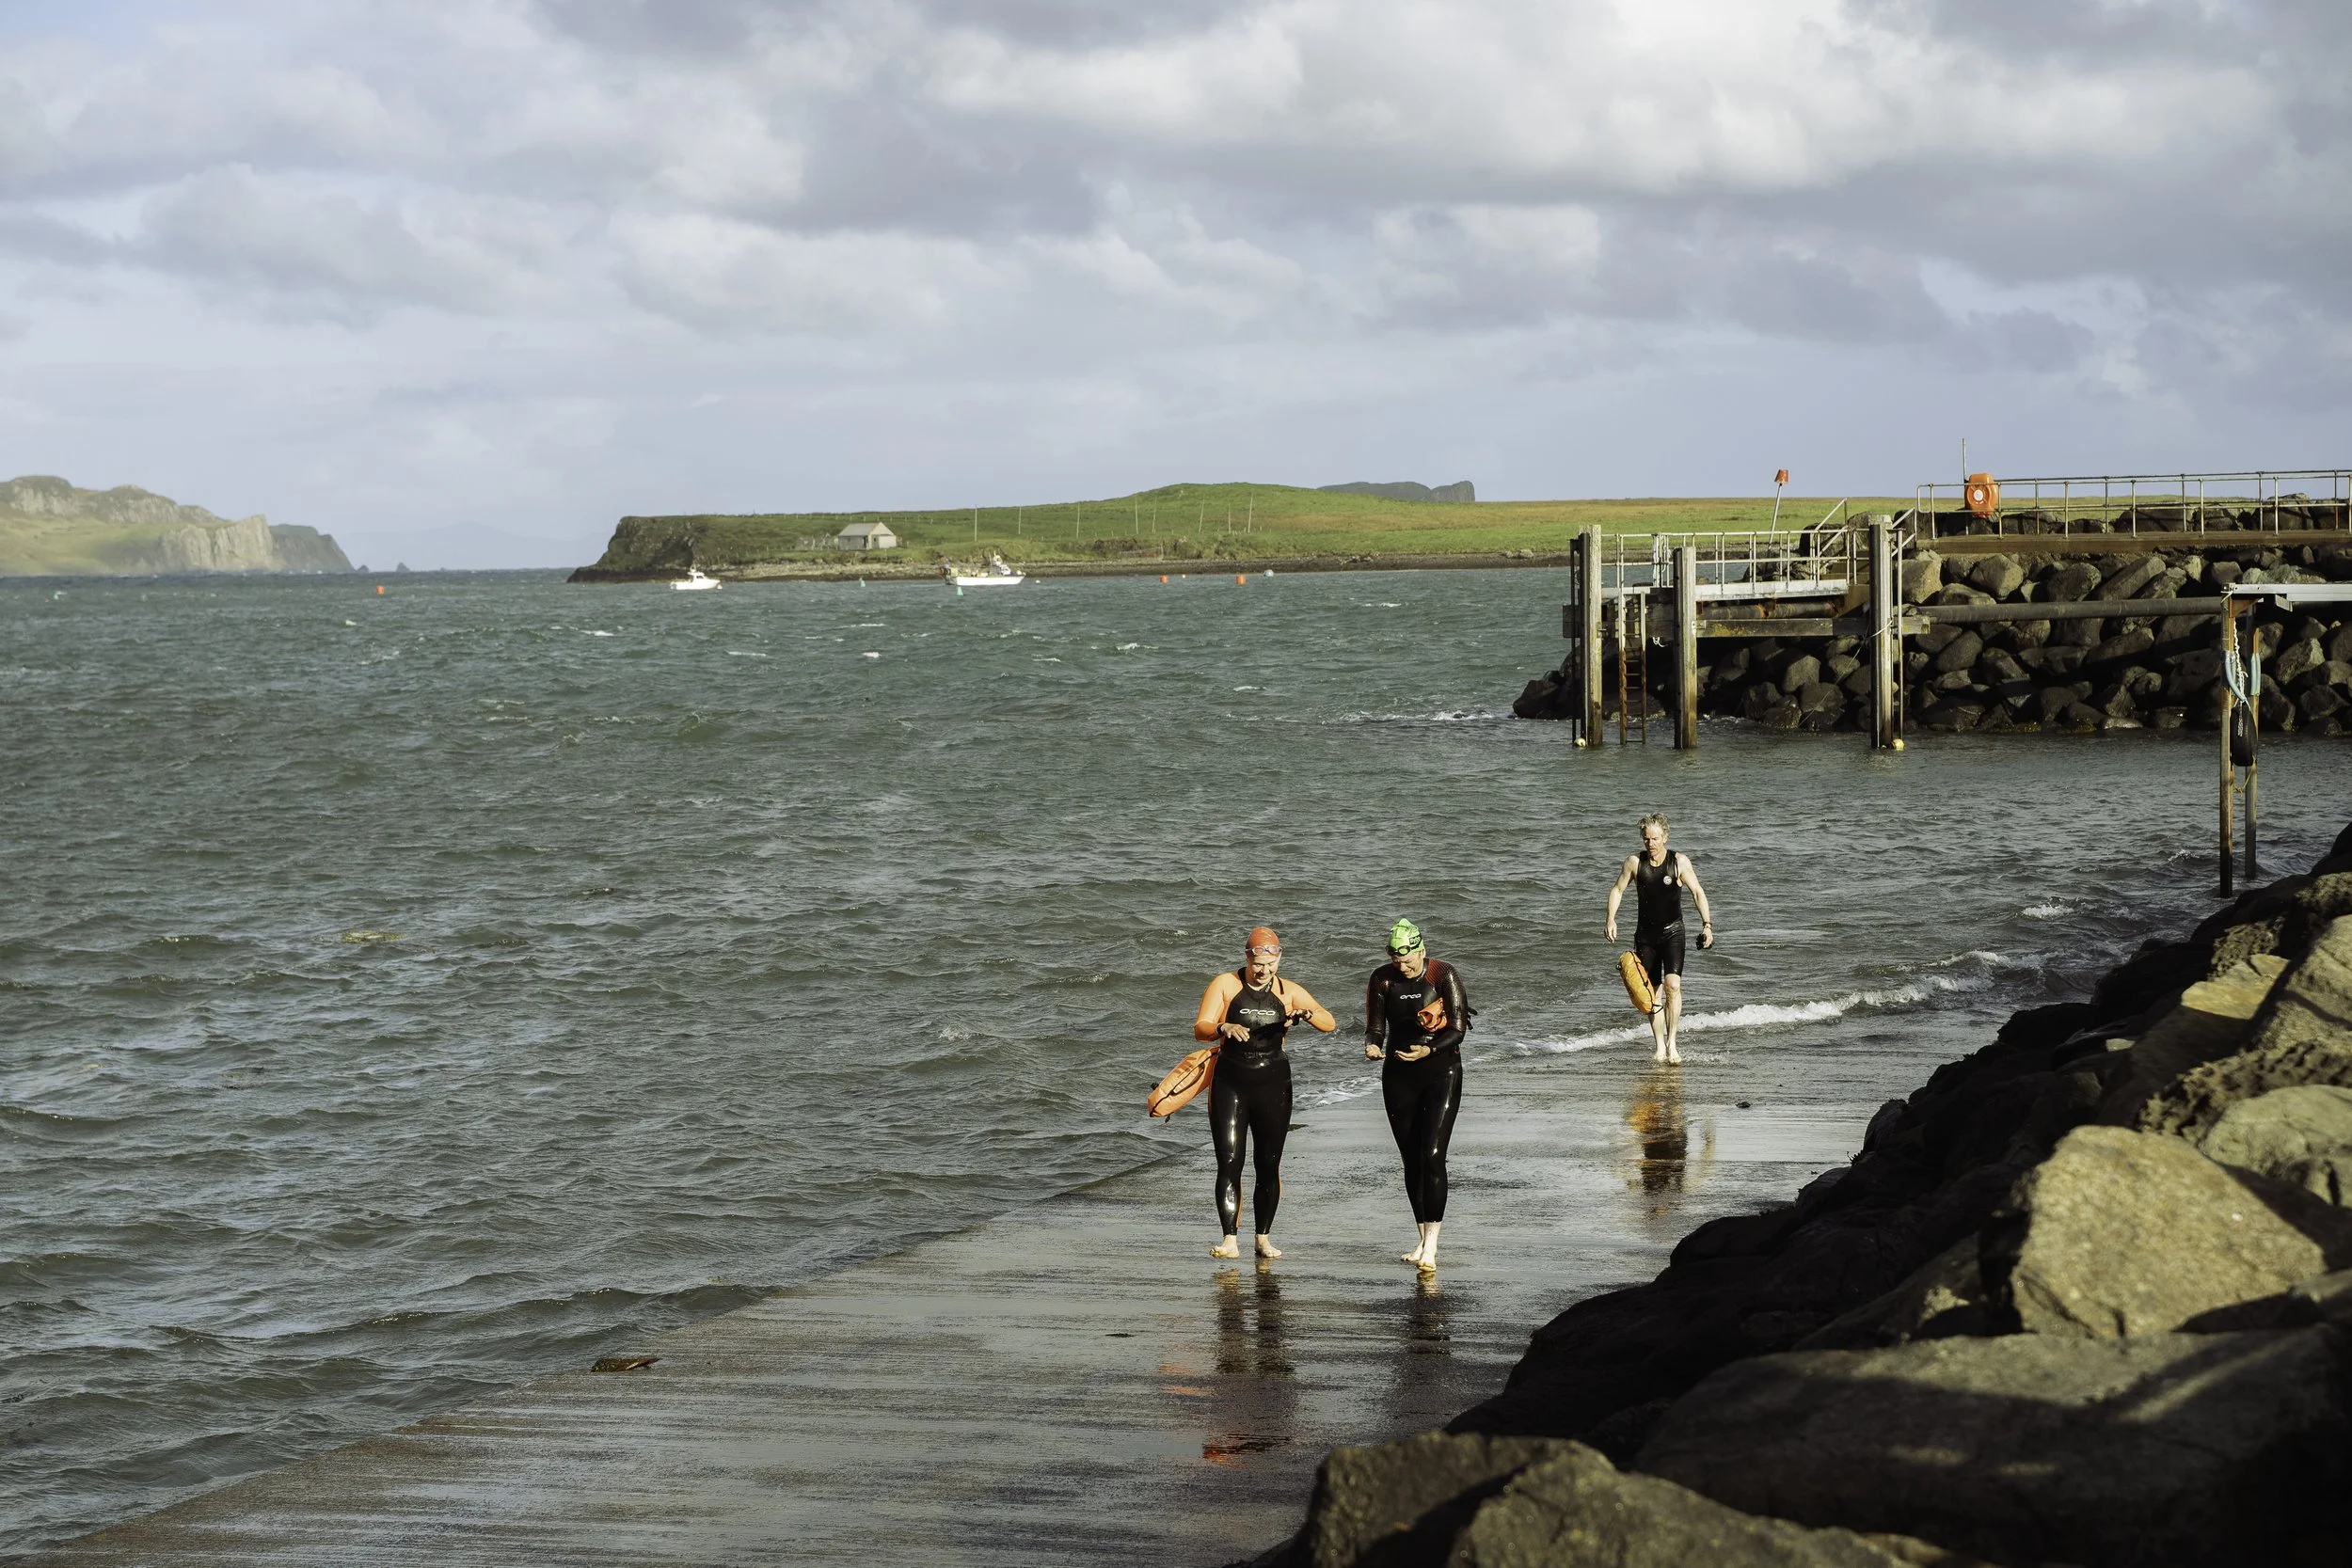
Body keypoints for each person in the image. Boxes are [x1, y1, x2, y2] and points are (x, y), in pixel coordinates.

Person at [1190, 926, 1337, 1259]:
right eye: (1259, 966)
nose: (1264, 973)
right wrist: (1222, 1027)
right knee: (1230, 1161)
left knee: (1268, 1165)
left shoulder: (1288, 990)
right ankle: (1229, 1239)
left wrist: (1308, 1014)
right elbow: (1200, 1029)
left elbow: (1330, 1022)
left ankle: (1263, 1238)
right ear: (1247, 957)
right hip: (1230, 1082)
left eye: (1271, 966)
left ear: (1279, 960)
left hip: (1273, 1082)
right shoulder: (1226, 984)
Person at [1363, 919, 1470, 1273]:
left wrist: (1428, 1051)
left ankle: (1433, 1248)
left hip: (1442, 1071)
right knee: (1411, 1159)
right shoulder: (1382, 979)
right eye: (1397, 961)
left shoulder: (1443, 974)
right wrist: (1372, 1045)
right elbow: (1376, 1025)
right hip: (1398, 1075)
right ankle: (1423, 1239)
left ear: (1422, 951)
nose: (1403, 967)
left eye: (1408, 961)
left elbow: (1457, 1030)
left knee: (1433, 1154)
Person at [1605, 813, 1714, 1064]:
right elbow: (1617, 889)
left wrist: (1707, 925)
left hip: (1673, 932)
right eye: (1646, 838)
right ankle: (1659, 1047)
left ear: (1665, 837)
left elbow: (1697, 892)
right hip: (1646, 936)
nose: (1650, 843)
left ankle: (1672, 1043)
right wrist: (1611, 919)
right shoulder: (1634, 863)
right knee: (1650, 994)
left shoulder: (1679, 862)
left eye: (1655, 838)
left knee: (1673, 986)